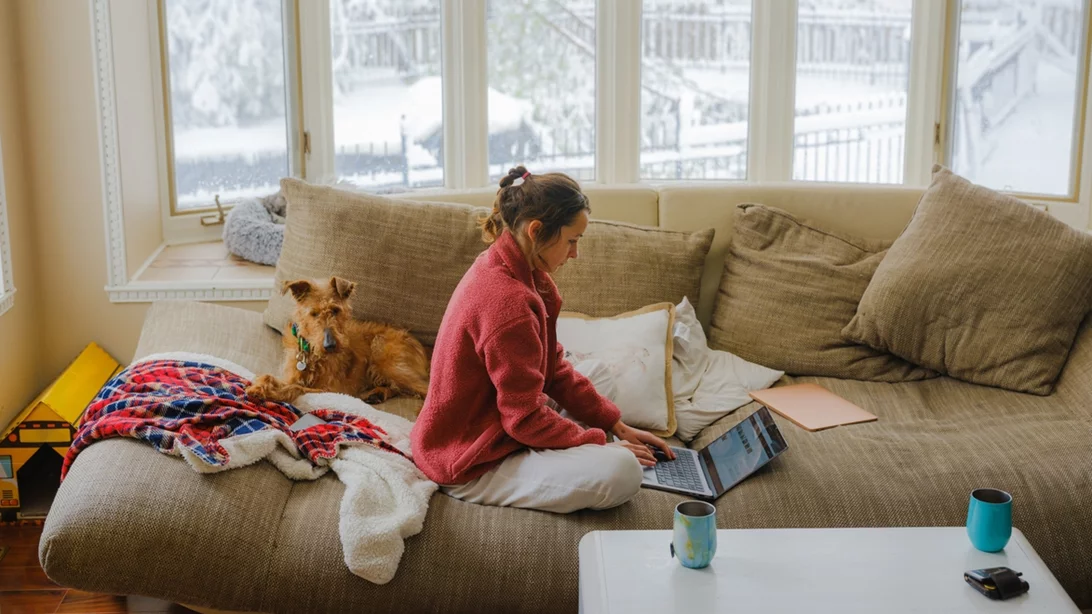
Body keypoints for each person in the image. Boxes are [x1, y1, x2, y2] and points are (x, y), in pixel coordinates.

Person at [410, 166, 676, 514]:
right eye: (572, 240)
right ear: (536, 231)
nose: (575, 253)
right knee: (624, 471)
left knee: (598, 373)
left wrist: (617, 426)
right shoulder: (507, 303)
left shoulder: (521, 272)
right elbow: (523, 419)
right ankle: (579, 454)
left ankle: (573, 443)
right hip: (470, 457)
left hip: (500, 421)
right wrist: (599, 445)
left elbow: (552, 370)